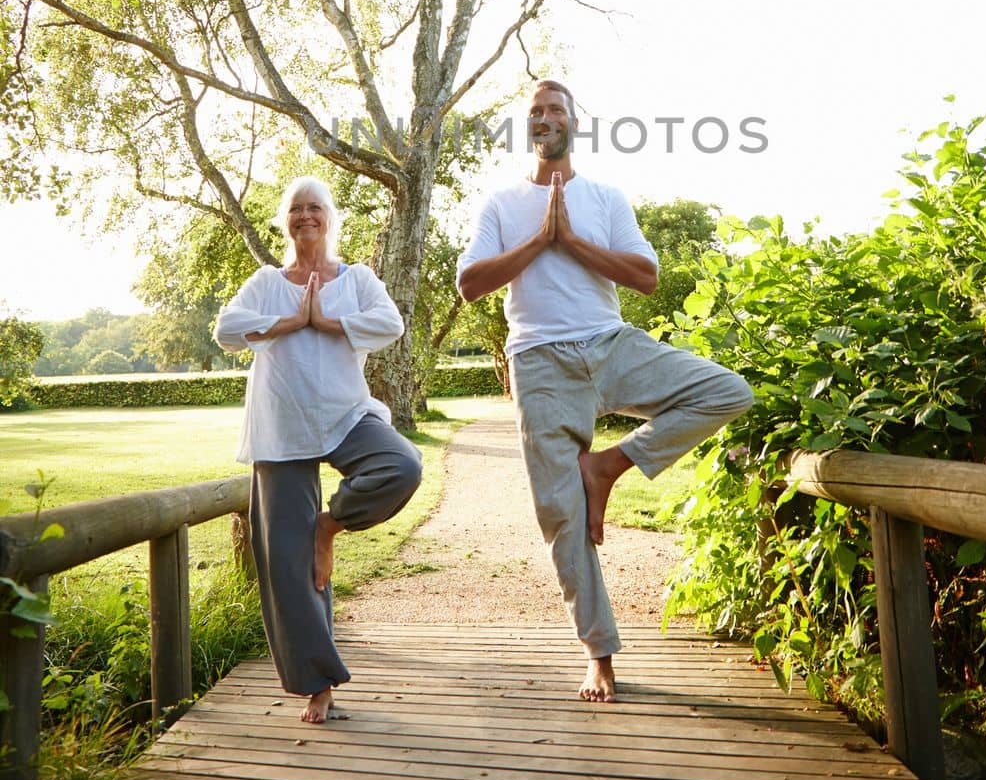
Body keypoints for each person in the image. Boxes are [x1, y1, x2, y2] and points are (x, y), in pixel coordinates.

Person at [456, 80, 754, 703]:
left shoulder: (607, 198)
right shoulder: (501, 204)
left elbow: (646, 277)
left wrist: (573, 242)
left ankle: (608, 468)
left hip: (611, 345)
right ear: (528, 127)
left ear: (574, 124)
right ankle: (600, 654)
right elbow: (470, 285)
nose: (543, 117)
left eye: (555, 108)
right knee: (561, 518)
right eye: (534, 111)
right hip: (539, 362)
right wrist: (540, 240)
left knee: (727, 392)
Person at [215, 176, 422, 724]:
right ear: (285, 221)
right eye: (296, 210)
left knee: (401, 465)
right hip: (281, 427)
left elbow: (390, 324)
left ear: (330, 217)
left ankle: (330, 525)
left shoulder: (356, 278)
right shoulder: (266, 281)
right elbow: (227, 329)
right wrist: (290, 322)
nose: (305, 216)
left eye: (315, 208)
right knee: (287, 563)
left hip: (346, 414)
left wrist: (326, 321)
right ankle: (318, 684)